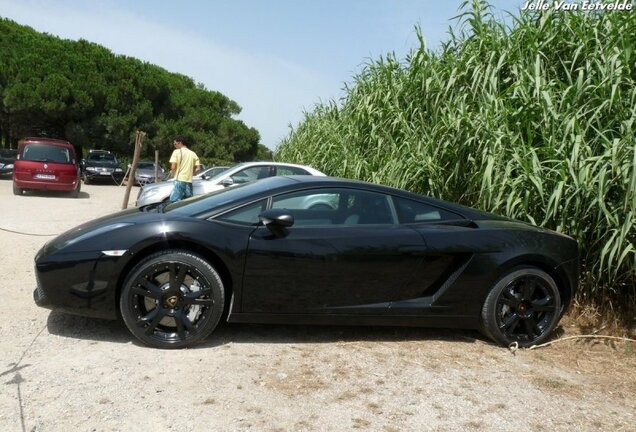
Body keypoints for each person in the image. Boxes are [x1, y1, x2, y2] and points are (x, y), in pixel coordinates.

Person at [169, 136, 201, 201]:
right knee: (188, 201)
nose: (174, 146)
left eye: (175, 144)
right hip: (189, 180)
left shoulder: (176, 152)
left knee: (174, 200)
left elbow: (173, 167)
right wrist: (192, 172)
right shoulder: (193, 153)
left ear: (180, 143)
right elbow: (198, 168)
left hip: (179, 179)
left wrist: (173, 172)